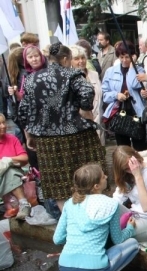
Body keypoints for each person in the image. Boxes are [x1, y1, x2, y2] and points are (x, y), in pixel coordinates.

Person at [18, 42, 105, 212]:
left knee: (58, 184)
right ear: (65, 58)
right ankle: (91, 216)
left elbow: (23, 112)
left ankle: (70, 222)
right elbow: (87, 92)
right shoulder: (72, 74)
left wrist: (29, 135)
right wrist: (83, 108)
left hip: (46, 140)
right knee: (86, 176)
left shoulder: (31, 79)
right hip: (75, 135)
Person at [52, 163, 139, 271]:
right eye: (103, 176)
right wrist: (130, 229)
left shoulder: (70, 203)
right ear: (96, 186)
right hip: (95, 270)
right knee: (133, 244)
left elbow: (57, 239)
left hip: (66, 268)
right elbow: (118, 239)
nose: (106, 176)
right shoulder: (110, 204)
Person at [112, 146, 147, 242]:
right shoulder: (126, 174)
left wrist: (138, 176)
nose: (130, 170)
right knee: (110, 209)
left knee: (118, 234)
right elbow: (116, 200)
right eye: (126, 169)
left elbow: (146, 207)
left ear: (136, 157)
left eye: (130, 166)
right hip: (133, 214)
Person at [102, 41, 147, 150]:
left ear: (132, 56)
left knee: (139, 143)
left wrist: (132, 68)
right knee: (122, 146)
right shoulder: (111, 71)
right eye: (122, 57)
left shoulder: (139, 70)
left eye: (127, 57)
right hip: (119, 111)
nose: (124, 60)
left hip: (136, 110)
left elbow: (134, 84)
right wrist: (116, 95)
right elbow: (105, 93)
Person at [70, 45, 104, 146]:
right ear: (70, 61)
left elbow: (99, 94)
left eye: (83, 57)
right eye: (76, 59)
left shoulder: (94, 74)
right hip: (81, 123)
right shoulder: (69, 78)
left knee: (100, 151)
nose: (81, 61)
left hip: (98, 118)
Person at [0, 113, 30, 220]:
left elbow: (25, 158)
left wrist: (9, 160)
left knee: (11, 171)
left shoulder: (12, 139)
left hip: (13, 177)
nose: (3, 126)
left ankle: (24, 204)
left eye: (3, 122)